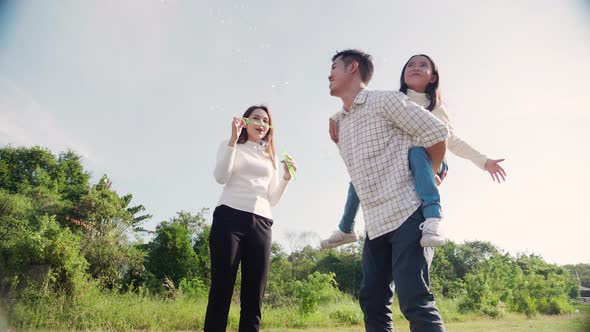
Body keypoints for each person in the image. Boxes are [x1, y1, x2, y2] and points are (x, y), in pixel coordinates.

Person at [321, 54, 507, 249]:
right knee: (360, 174)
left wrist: (484, 162)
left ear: (433, 77)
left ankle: (433, 216)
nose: (415, 68)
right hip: (401, 162)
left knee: (416, 152)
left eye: (422, 65)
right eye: (410, 65)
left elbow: (451, 140)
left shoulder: (437, 108)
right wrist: (336, 116)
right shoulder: (396, 99)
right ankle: (346, 227)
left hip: (431, 162)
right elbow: (363, 104)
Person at [328, 49, 448, 331]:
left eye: (334, 67)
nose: (329, 74)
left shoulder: (386, 100)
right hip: (375, 224)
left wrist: (430, 172)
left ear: (353, 68)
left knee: (414, 300)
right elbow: (357, 177)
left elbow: (438, 132)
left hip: (408, 213)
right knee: (372, 301)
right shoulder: (339, 125)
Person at [205, 105, 296, 332]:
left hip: (262, 223)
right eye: (256, 118)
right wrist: (233, 141)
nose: (261, 123)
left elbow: (272, 198)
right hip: (229, 218)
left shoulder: (270, 156)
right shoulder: (232, 146)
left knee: (254, 295)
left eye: (265, 120)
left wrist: (285, 178)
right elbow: (220, 176)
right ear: (245, 121)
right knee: (221, 290)